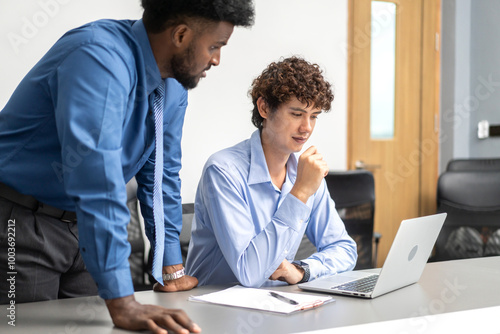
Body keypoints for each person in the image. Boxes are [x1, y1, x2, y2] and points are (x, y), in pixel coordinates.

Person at [0, 0, 254, 333]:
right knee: (27, 330)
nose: (216, 59)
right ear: (181, 34)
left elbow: (160, 172)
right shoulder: (97, 57)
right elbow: (97, 182)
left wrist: (170, 265)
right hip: (24, 225)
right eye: (215, 46)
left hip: (86, 232)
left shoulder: (172, 86)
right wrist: (123, 300)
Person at [185, 57, 357, 288]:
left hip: (278, 305)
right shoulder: (223, 171)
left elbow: (345, 249)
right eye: (297, 114)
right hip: (217, 309)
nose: (307, 128)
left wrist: (302, 270)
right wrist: (300, 192)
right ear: (264, 108)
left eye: (314, 116)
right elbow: (250, 273)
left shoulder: (304, 172)